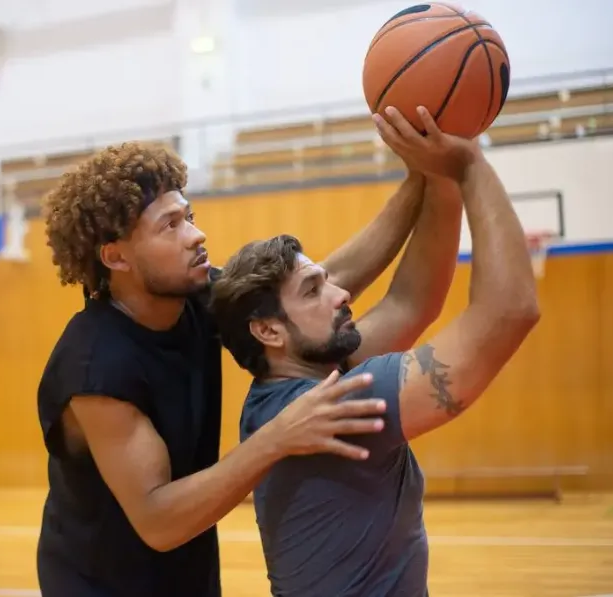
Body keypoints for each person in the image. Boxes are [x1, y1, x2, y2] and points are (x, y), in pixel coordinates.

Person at [35, 129, 462, 596]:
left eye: (189, 216)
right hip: (100, 583)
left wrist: (420, 178)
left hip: (188, 566)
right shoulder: (95, 368)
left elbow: (305, 294)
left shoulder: (194, 295)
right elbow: (158, 520)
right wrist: (277, 436)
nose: (196, 235)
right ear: (116, 257)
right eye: (170, 226)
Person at [209, 106, 541, 597]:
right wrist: (469, 165)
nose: (343, 294)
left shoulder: (295, 387)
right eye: (313, 290)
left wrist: (436, 175)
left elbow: (411, 301)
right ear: (269, 332)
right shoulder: (336, 408)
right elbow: (510, 310)